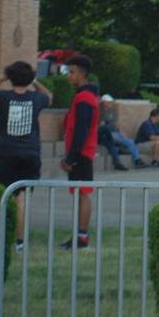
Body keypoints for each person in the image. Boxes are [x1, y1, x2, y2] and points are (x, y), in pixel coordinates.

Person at [0, 61, 52, 253]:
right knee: (22, 198)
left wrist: (0, 78)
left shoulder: (1, 97)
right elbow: (49, 97)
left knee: (4, 196)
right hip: (30, 154)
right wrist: (34, 81)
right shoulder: (37, 99)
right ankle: (20, 241)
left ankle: (2, 235)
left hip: (5, 153)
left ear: (10, 78)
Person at [61, 54, 99, 250]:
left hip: (82, 154)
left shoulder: (85, 98)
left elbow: (81, 129)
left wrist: (71, 157)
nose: (69, 76)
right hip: (81, 153)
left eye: (72, 72)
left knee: (84, 193)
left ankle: (82, 237)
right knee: (80, 194)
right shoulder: (84, 96)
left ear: (81, 74)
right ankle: (79, 234)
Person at [97, 94, 146, 170]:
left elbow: (115, 125)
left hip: (115, 133)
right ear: (104, 102)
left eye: (111, 102)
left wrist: (121, 132)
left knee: (129, 141)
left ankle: (137, 160)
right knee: (115, 144)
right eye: (109, 102)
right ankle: (120, 152)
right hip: (106, 134)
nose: (111, 104)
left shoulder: (112, 111)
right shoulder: (99, 112)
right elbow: (100, 127)